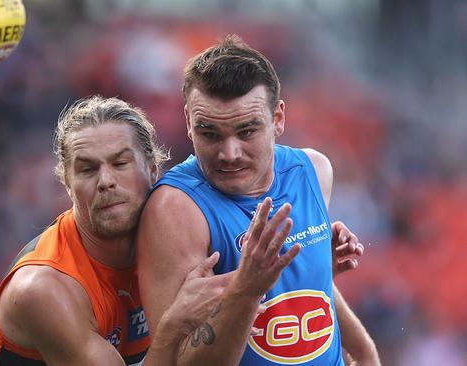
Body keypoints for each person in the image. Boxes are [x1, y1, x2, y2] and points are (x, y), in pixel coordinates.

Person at [0, 96, 295, 365]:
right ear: (67, 184)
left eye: (120, 163)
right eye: (87, 169)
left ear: (153, 170)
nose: (106, 181)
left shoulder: (179, 239)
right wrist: (173, 325)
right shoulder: (44, 289)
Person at [136, 34, 380, 365]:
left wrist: (364, 349)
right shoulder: (176, 209)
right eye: (210, 133)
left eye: (247, 131)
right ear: (189, 124)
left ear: (278, 118)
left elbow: (310, 289)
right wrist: (245, 291)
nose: (229, 153)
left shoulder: (314, 171)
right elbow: (177, 360)